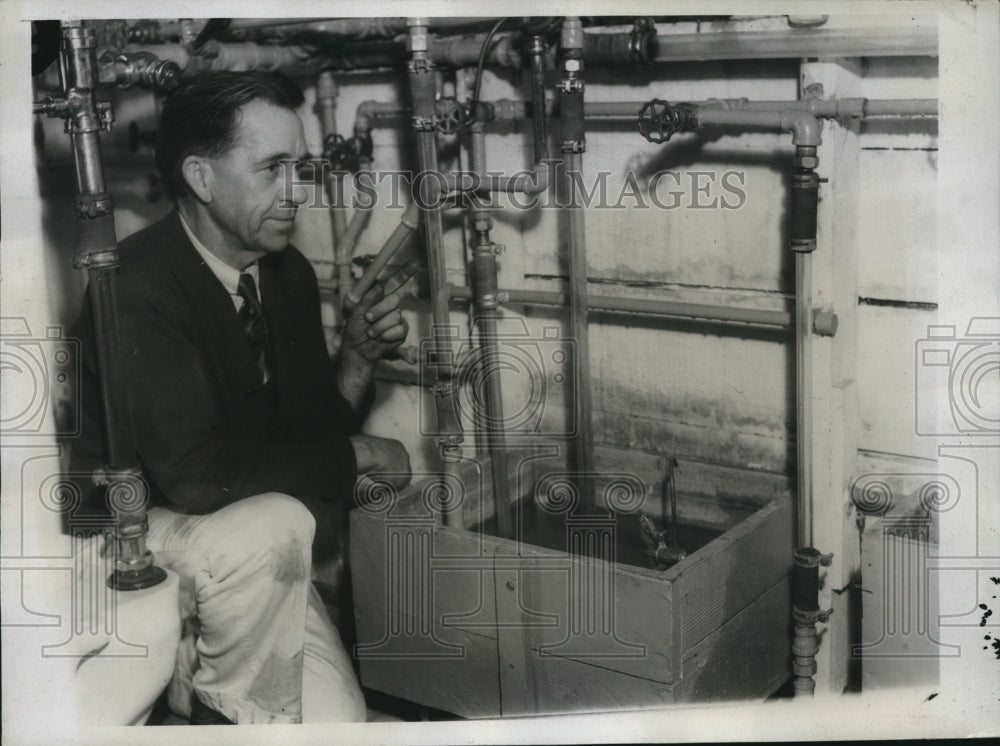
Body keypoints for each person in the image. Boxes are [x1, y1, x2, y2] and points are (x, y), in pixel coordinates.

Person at [69, 70, 413, 725]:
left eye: (301, 166)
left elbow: (301, 437)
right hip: (125, 540)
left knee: (340, 724)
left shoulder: (285, 276)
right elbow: (200, 479)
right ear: (201, 178)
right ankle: (211, 714)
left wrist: (359, 360)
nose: (297, 192)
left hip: (231, 546)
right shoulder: (136, 285)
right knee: (276, 527)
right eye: (273, 168)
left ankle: (202, 678)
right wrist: (360, 451)